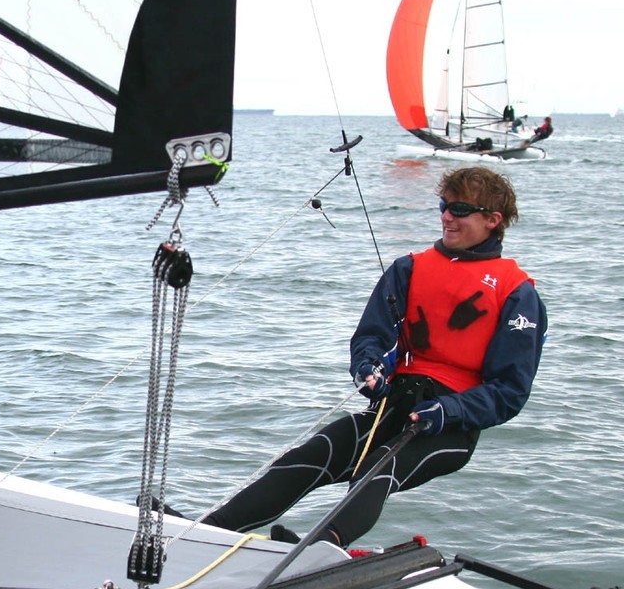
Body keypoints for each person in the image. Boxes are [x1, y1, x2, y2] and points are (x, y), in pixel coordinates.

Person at [181, 166, 547, 547]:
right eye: (443, 205)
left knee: (376, 470)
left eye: (459, 209)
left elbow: (509, 391)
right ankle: (204, 534)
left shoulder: (516, 292)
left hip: (445, 428)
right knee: (311, 454)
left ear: (492, 220)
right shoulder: (410, 268)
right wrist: (367, 367)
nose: (446, 216)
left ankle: (318, 552)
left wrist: (447, 411)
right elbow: (372, 336)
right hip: (390, 409)